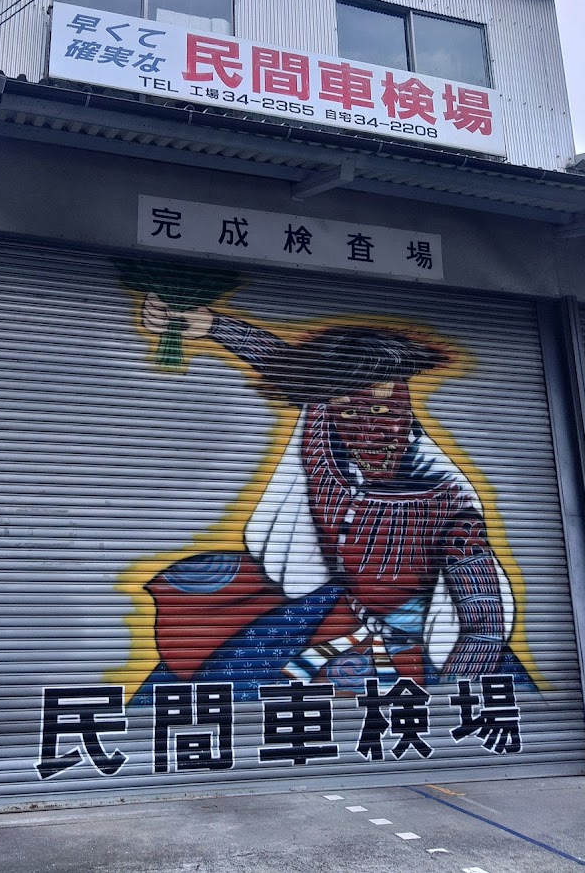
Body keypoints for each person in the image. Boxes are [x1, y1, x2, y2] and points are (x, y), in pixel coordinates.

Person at [133, 293, 531, 701]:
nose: (370, 432)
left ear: (404, 408)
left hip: (412, 644)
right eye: (350, 413)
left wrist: (457, 696)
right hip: (332, 605)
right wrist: (214, 326)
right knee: (204, 670)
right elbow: (285, 366)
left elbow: (483, 626)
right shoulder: (324, 440)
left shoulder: (448, 509)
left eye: (381, 412)